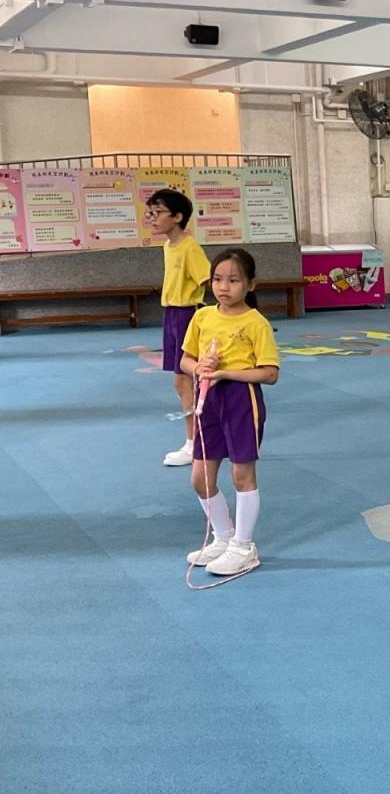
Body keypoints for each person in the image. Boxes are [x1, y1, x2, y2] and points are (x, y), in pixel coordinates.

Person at [181, 249, 280, 575]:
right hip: (207, 399)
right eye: (217, 279)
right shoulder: (202, 317)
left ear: (250, 284)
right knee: (200, 477)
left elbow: (270, 373)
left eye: (234, 280)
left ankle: (244, 546)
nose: (223, 287)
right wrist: (200, 367)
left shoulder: (256, 323)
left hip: (241, 399)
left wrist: (226, 373)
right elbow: (185, 361)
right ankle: (223, 537)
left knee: (241, 474)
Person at [146, 189, 210, 467]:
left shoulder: (190, 247)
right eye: (151, 212)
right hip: (171, 314)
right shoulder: (168, 246)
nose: (153, 218)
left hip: (188, 314)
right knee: (180, 381)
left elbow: (209, 280)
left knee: (187, 381)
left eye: (158, 212)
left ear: (178, 216)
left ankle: (195, 444)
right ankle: (195, 441)